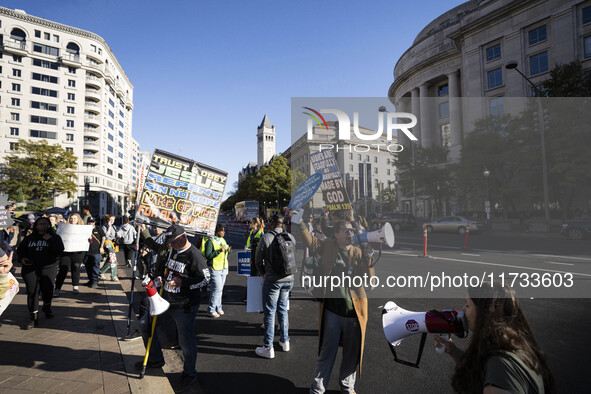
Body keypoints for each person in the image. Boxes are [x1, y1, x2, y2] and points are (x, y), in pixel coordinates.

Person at [434, 284, 555, 394]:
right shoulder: (510, 343)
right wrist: (453, 351)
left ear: (485, 313)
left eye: (467, 305)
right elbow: (480, 371)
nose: (463, 309)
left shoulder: (500, 365)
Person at [299, 218, 374, 394]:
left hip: (353, 312)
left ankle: (347, 386)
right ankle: (318, 388)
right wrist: (300, 221)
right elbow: (310, 241)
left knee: (351, 352)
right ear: (337, 234)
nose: (351, 234)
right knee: (327, 351)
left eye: (352, 231)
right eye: (347, 231)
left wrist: (368, 257)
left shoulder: (357, 251)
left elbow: (370, 279)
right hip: (332, 310)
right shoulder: (328, 246)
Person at [138, 223, 210, 393]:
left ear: (183, 237)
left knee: (186, 341)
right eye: (169, 241)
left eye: (173, 241)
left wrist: (182, 282)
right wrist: (160, 278)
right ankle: (155, 358)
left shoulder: (194, 255)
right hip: (165, 299)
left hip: (184, 305)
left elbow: (205, 280)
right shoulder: (172, 250)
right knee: (145, 323)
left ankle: (190, 373)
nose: (170, 244)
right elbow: (167, 269)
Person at [254, 214, 296, 359]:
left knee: (270, 312)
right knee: (283, 309)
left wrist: (263, 274)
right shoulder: (291, 237)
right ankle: (285, 341)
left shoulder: (266, 238)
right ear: (283, 224)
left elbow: (258, 260)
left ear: (271, 223)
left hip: (272, 280)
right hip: (288, 279)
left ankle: (268, 347)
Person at [17, 217, 64, 329]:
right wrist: (22, 259)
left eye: (44, 224)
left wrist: (50, 240)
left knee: (47, 290)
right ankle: (33, 318)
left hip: (48, 267)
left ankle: (47, 307)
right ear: (36, 226)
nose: (42, 226)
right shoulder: (29, 238)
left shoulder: (55, 237)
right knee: (32, 292)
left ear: (49, 226)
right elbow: (20, 251)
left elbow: (59, 251)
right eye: (40, 224)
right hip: (30, 268)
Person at [54, 213, 86, 296]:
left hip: (77, 253)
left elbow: (86, 240)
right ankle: (57, 289)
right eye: (71, 218)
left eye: (75, 218)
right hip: (66, 252)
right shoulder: (64, 227)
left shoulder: (83, 229)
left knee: (76, 269)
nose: (72, 220)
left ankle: (75, 287)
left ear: (78, 219)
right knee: (63, 269)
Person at [204, 224, 231, 318]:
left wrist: (228, 250)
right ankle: (211, 309)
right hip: (215, 268)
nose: (224, 232)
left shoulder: (222, 240)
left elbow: (227, 251)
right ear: (217, 232)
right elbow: (208, 255)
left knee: (219, 290)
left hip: (223, 268)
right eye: (222, 231)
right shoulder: (210, 242)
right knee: (217, 289)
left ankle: (218, 307)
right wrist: (218, 251)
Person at [84, 217, 104, 288]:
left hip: (96, 251)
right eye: (89, 222)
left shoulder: (98, 228)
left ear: (94, 222)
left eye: (92, 222)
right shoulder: (84, 229)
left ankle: (95, 281)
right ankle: (91, 280)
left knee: (95, 266)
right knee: (87, 266)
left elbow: (103, 237)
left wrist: (101, 247)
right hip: (86, 251)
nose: (91, 223)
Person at [99, 214, 118, 281]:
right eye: (110, 219)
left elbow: (114, 237)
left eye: (113, 219)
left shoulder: (114, 227)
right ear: (107, 220)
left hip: (112, 244)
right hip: (107, 244)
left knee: (110, 259)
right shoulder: (104, 227)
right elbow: (105, 236)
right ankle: (113, 275)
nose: (112, 221)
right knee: (113, 258)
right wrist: (109, 228)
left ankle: (101, 272)